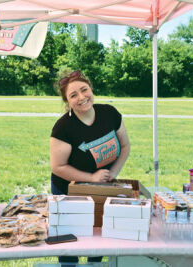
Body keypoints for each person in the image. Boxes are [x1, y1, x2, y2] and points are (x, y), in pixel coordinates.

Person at [50, 70, 130, 265]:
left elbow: (125, 146)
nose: (81, 97)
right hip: (68, 189)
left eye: (84, 90)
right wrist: (91, 177)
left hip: (101, 188)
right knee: (69, 241)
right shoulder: (63, 127)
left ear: (91, 89)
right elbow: (58, 167)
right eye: (73, 95)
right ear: (67, 102)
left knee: (99, 236)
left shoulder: (109, 114)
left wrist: (114, 173)